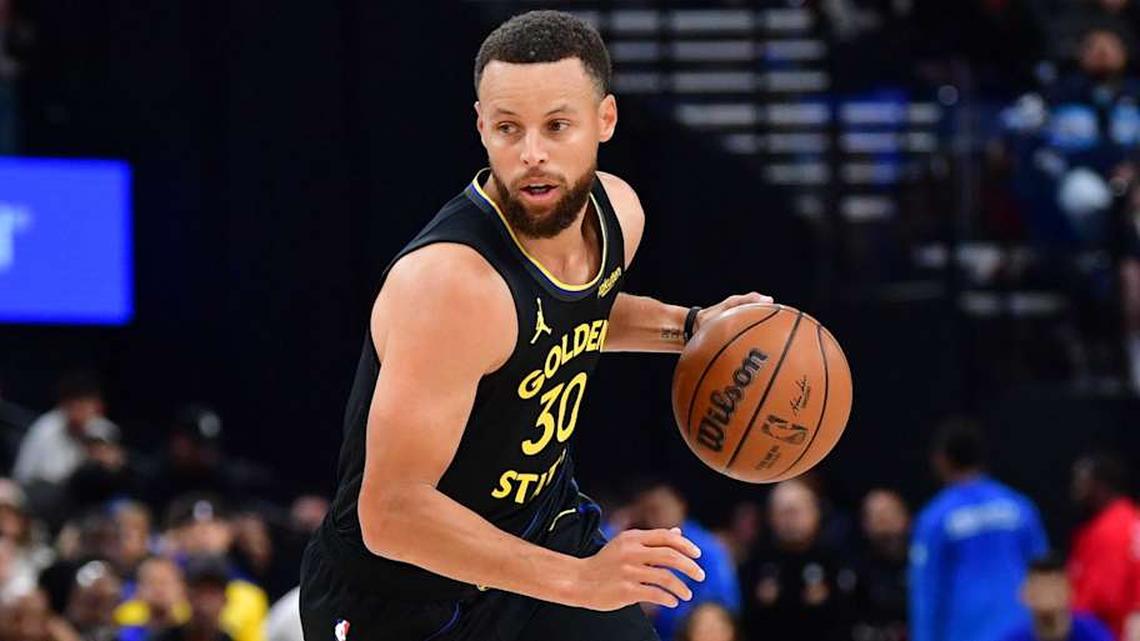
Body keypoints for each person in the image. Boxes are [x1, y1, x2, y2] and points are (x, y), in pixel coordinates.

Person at [298, 10, 771, 641]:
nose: (532, 154)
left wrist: (690, 328)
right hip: (403, 590)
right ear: (480, 127)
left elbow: (578, 311)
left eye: (557, 125)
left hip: (541, 531)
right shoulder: (449, 287)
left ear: (605, 119)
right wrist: (582, 581)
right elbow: (389, 513)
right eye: (508, 128)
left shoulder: (617, 215)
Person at [909, 418, 1049, 641]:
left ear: (942, 461)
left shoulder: (934, 518)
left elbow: (928, 594)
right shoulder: (1020, 508)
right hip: (1021, 629)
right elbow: (1046, 575)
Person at [741, 479, 855, 641]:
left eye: (796, 511)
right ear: (770, 517)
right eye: (782, 512)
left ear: (816, 512)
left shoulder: (836, 558)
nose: (790, 520)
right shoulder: (754, 562)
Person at [631, 481, 740, 641]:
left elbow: (721, 604)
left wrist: (662, 610)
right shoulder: (640, 544)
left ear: (681, 505)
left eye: (663, 507)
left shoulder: (706, 547)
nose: (658, 515)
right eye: (651, 510)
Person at [1068, 453, 1140, 639]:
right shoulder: (1132, 518)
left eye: (1082, 482)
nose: (1076, 490)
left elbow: (1100, 600)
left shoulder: (1107, 531)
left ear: (1099, 484)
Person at [1002, 554, 1113, 641]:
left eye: (1054, 586)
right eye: (1040, 588)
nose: (1047, 595)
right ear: (1024, 594)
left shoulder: (1094, 634)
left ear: (1070, 591)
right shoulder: (1012, 638)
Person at [851, 489, 910, 641]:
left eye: (889, 513)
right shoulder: (858, 570)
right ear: (864, 524)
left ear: (906, 516)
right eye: (875, 516)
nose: (883, 521)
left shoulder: (927, 559)